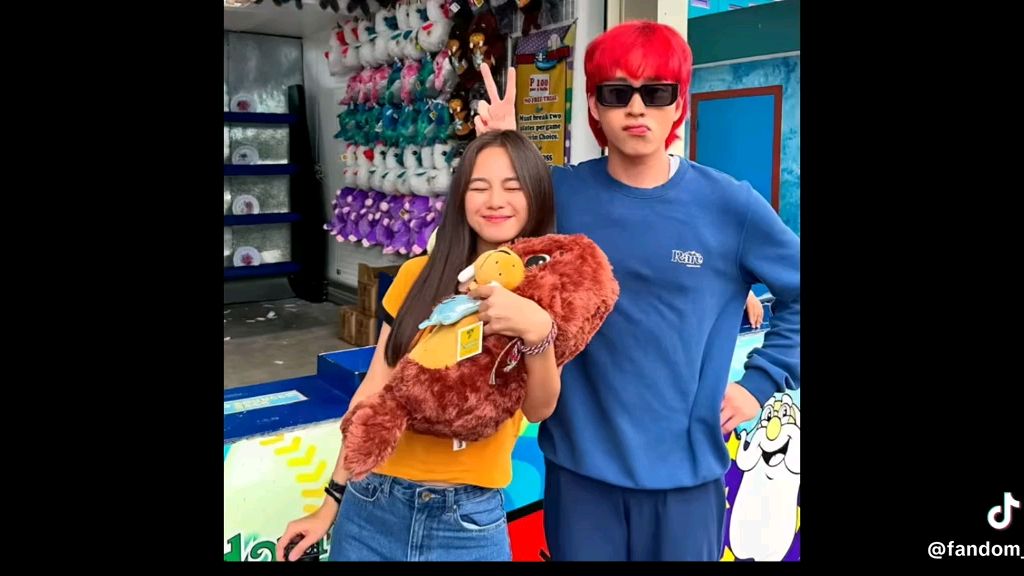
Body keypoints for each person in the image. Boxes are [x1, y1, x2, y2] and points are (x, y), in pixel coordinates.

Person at [473, 20, 800, 561]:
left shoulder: (729, 206)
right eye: (617, 93)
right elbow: (485, 251)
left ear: (679, 104)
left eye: (656, 92)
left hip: (687, 481)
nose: (636, 108)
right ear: (594, 106)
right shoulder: (557, 195)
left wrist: (760, 382)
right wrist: (502, 151)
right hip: (579, 477)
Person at [276, 130, 561, 561]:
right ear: (460, 197)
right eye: (479, 187)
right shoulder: (416, 276)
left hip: (467, 524)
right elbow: (373, 390)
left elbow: (539, 409)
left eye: (513, 186)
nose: (495, 201)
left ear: (536, 196)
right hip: (371, 504)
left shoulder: (546, 293)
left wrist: (538, 333)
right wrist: (331, 501)